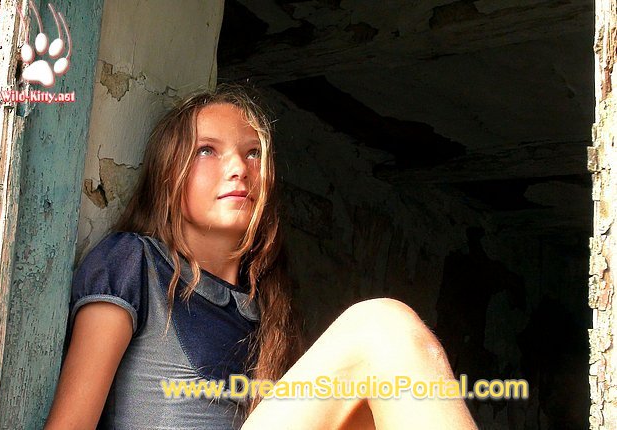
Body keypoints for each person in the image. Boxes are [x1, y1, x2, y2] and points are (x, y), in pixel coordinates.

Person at [45, 84, 478, 429]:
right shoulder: (132, 261)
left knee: (374, 399)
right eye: (207, 150)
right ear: (167, 173)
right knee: (381, 326)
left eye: (252, 153)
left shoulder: (267, 308)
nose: (239, 168)